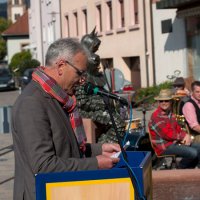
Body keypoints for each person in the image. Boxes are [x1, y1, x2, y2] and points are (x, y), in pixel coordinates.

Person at [11, 38, 121, 200]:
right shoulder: (32, 102)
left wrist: (99, 149)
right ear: (61, 66)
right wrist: (95, 163)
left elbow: (64, 147)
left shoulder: (57, 97)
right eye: (80, 73)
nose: (82, 80)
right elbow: (43, 166)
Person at [148, 89, 200, 169]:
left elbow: (178, 129)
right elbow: (167, 134)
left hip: (173, 142)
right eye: (161, 101)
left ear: (171, 101)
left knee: (199, 148)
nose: (164, 103)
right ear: (158, 102)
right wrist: (183, 137)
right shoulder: (156, 116)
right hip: (164, 147)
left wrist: (186, 135)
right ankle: (180, 170)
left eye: (166, 100)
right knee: (193, 153)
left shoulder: (170, 114)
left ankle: (192, 171)